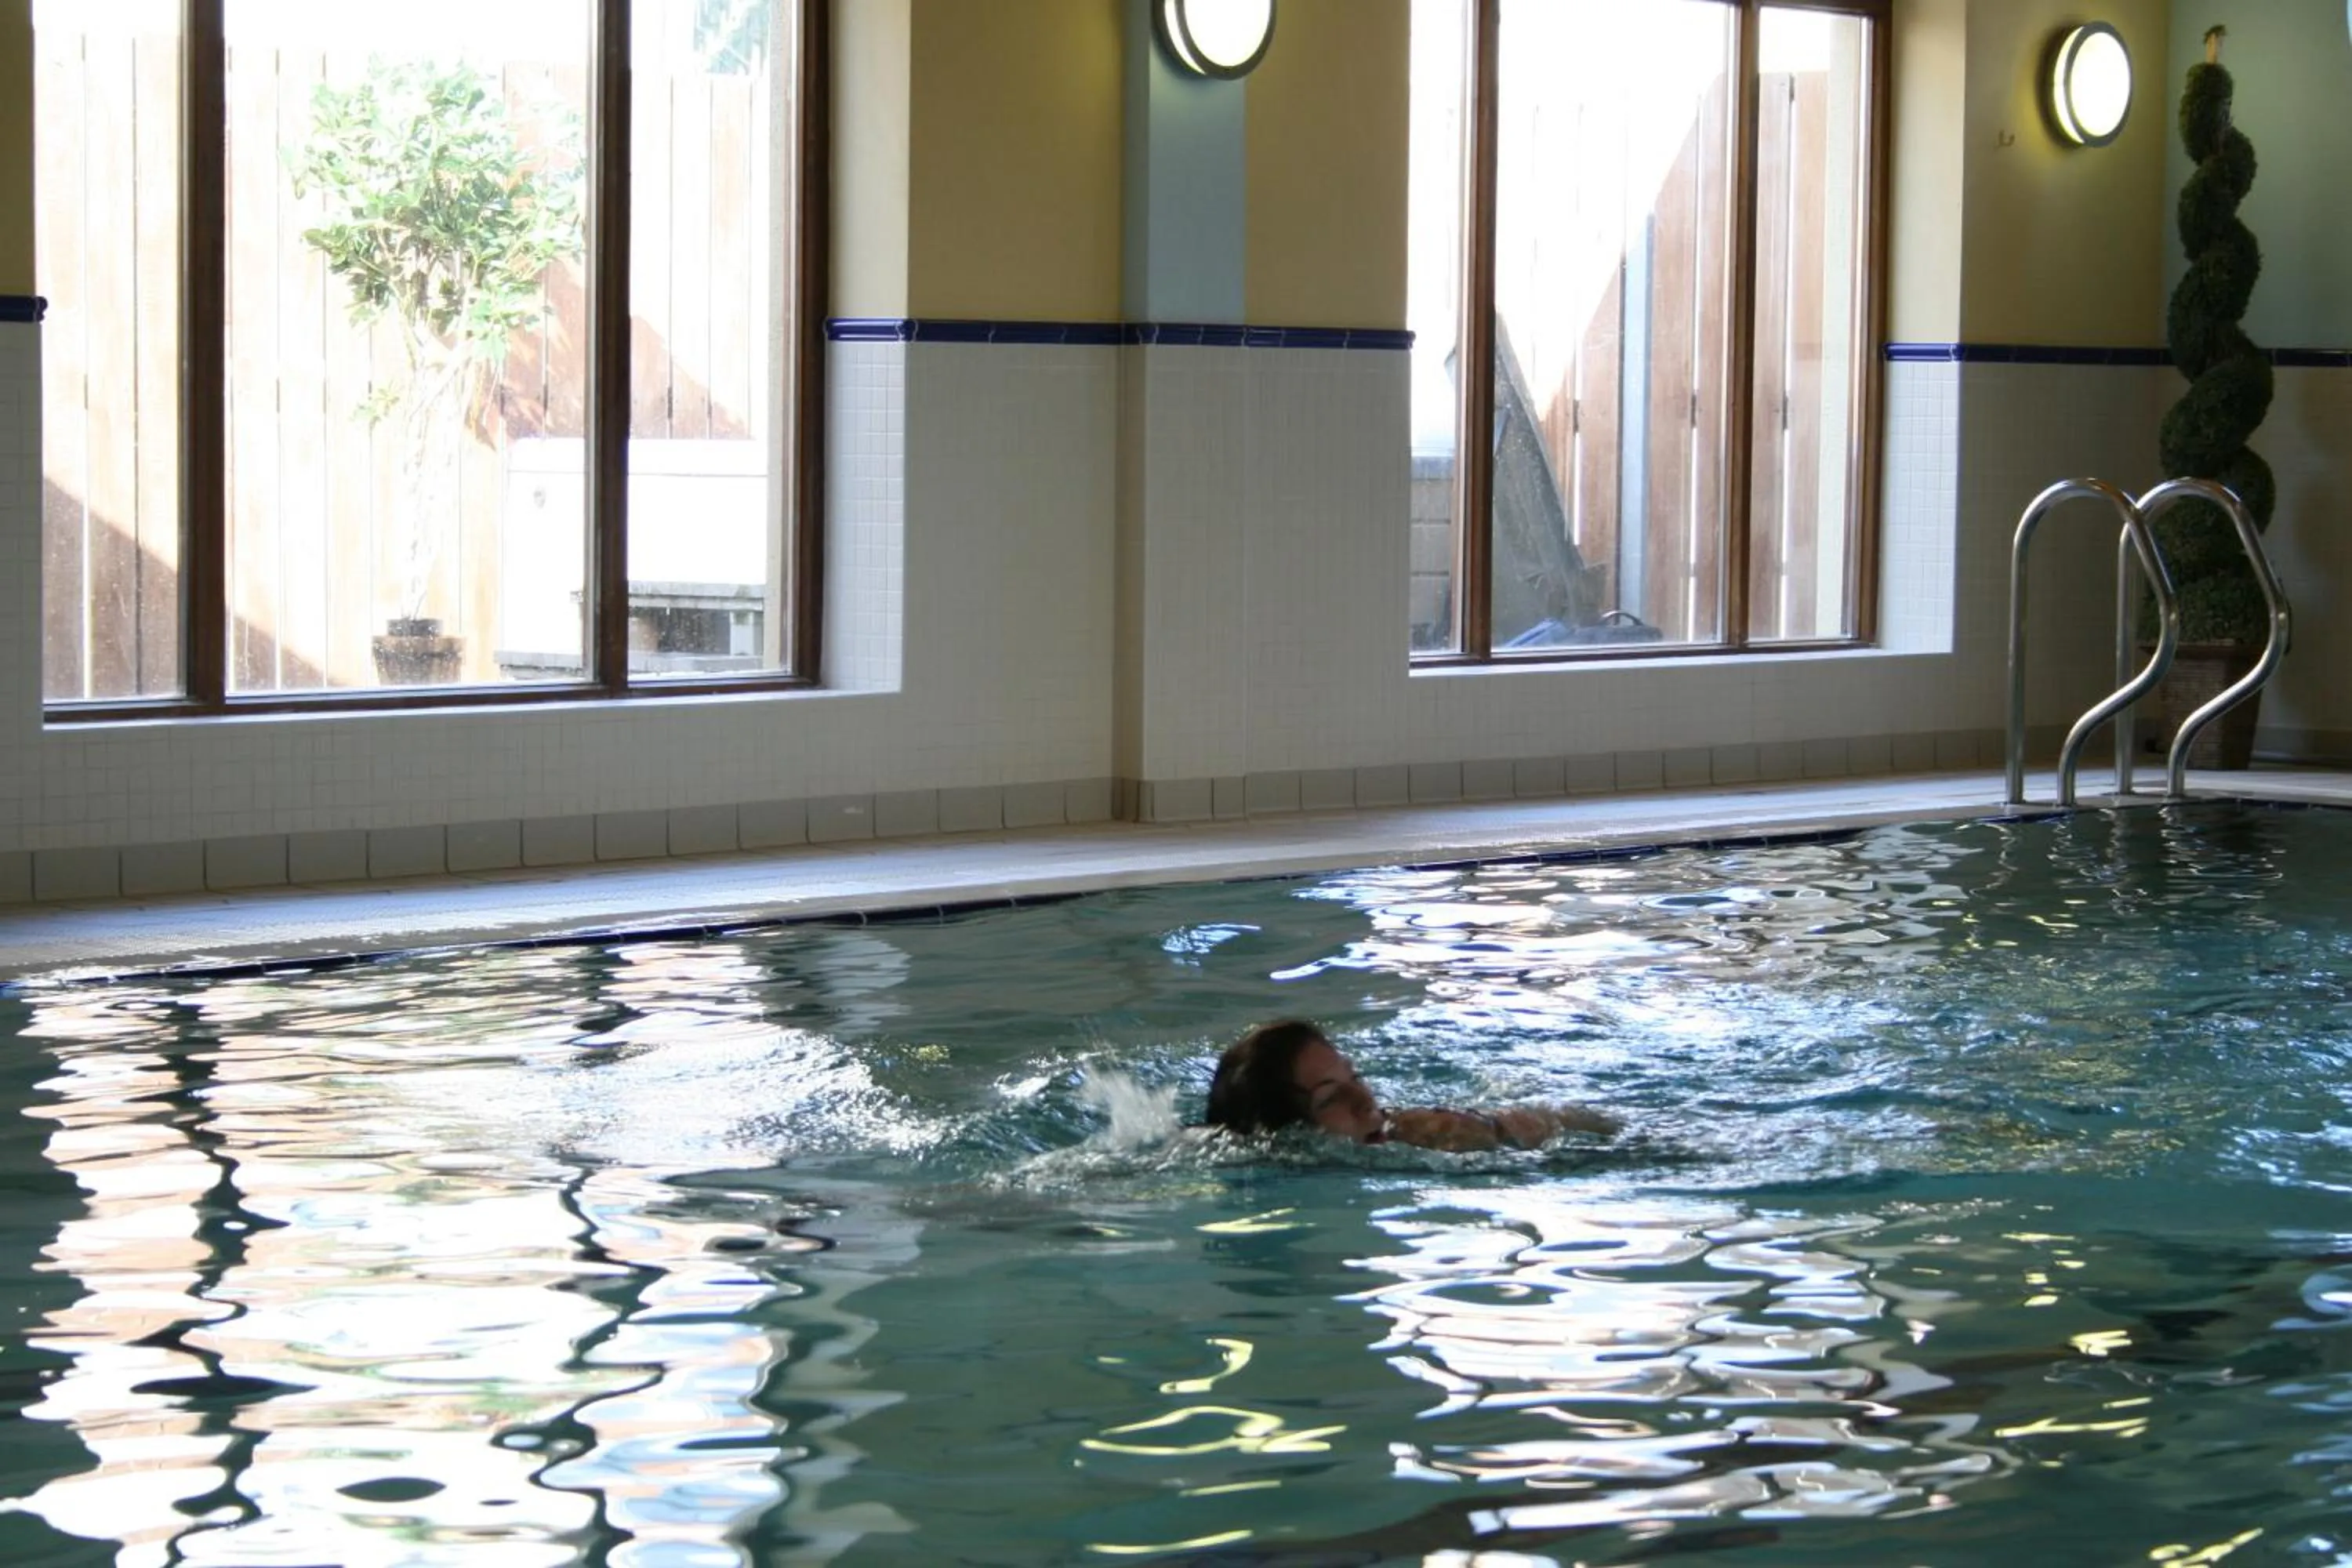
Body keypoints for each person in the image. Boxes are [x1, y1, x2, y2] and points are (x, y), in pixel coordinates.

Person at [1203, 1018, 1618, 1152]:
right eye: (1332, 1098)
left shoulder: (1416, 1130)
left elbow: (1581, 1120)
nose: (1367, 1102)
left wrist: (1499, 1130)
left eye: (1355, 1078)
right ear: (1282, 1133)